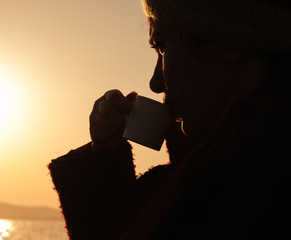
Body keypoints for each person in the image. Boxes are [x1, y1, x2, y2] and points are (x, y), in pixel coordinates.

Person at [48, 0, 291, 239]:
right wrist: (104, 155)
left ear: (224, 42)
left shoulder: (256, 190)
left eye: (162, 46)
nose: (155, 83)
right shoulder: (219, 169)